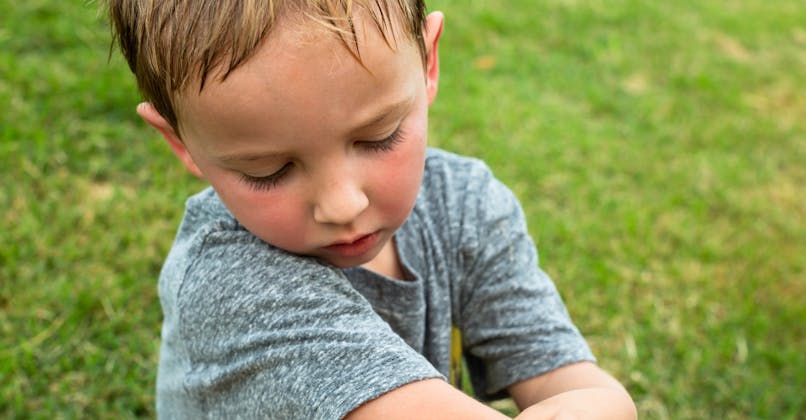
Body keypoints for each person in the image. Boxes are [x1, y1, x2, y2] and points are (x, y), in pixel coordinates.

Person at [106, 0, 636, 418]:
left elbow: (569, 377)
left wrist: (598, 403)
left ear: (427, 63)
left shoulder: (465, 206)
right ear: (181, 141)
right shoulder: (228, 285)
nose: (342, 205)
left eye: (378, 137)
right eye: (268, 170)